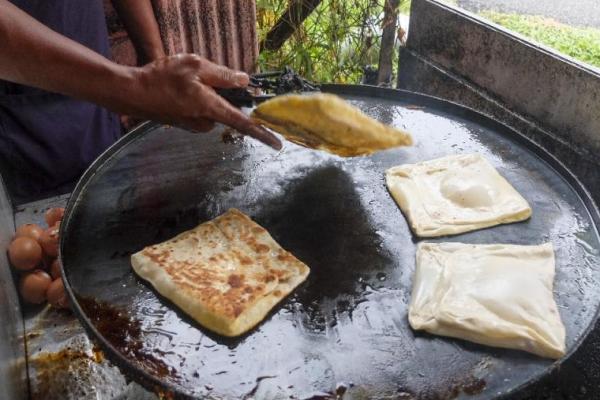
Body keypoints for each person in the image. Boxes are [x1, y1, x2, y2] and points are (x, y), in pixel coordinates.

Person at [0, 0, 280, 203]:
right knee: (48, 229)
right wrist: (132, 86)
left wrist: (155, 61)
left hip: (99, 94)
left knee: (106, 203)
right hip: (23, 122)